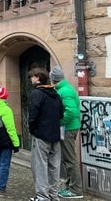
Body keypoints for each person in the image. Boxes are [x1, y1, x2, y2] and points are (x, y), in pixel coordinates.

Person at [28, 67, 64, 201]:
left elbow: (32, 116)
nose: (31, 79)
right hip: (55, 134)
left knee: (40, 166)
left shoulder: (36, 94)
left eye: (32, 76)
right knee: (54, 166)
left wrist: (33, 130)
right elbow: (61, 113)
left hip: (41, 134)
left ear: (37, 77)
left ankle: (42, 196)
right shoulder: (55, 93)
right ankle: (54, 195)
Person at [50, 66, 83, 199]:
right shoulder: (63, 89)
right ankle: (71, 186)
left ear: (53, 79)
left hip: (68, 128)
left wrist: (60, 122)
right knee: (67, 158)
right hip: (68, 128)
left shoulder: (65, 91)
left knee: (70, 159)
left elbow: (72, 111)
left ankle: (76, 190)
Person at [0, 85, 20, 198]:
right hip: (6, 141)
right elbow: (11, 129)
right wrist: (16, 143)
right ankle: (1, 189)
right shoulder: (6, 110)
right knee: (5, 164)